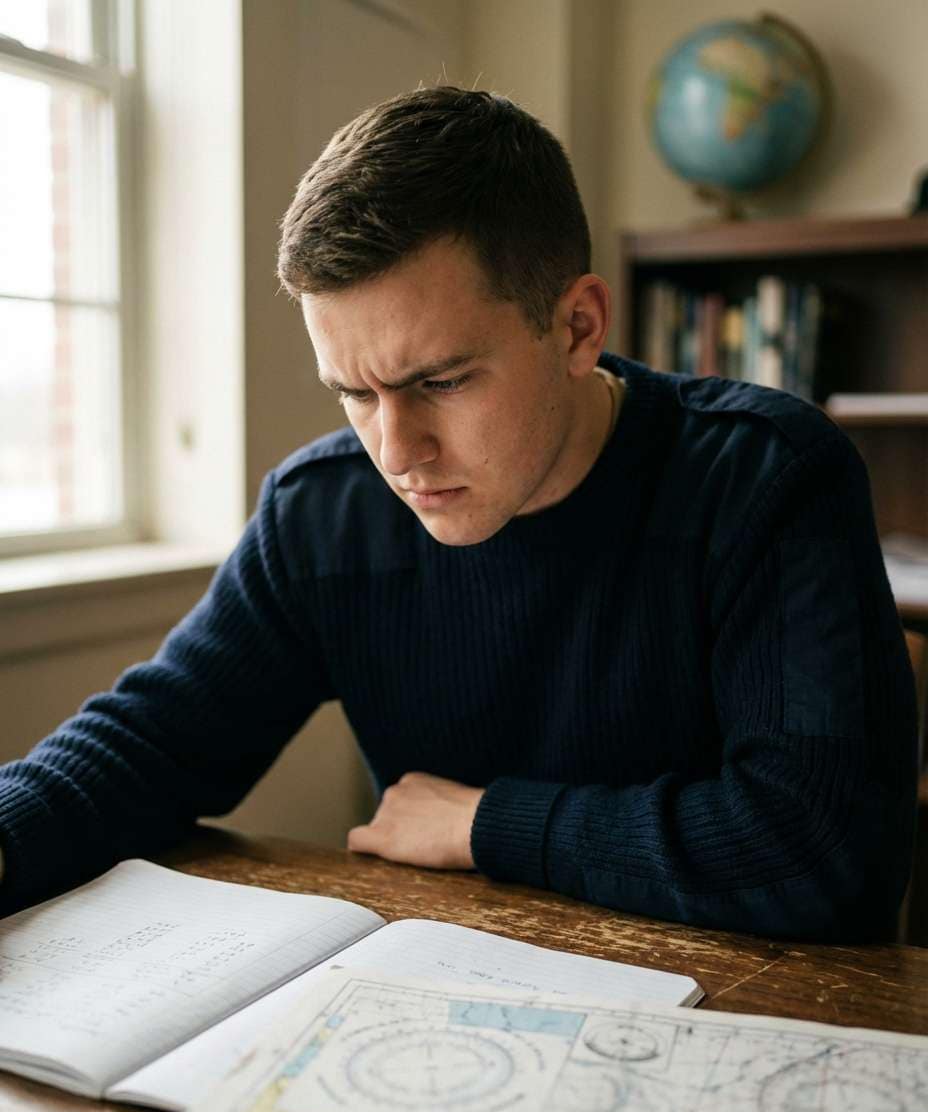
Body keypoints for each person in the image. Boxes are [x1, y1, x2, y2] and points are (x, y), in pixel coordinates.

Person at [0, 87, 916, 941]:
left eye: (438, 381)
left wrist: (487, 823)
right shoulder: (323, 514)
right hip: (444, 984)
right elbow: (150, 744)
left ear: (577, 328)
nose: (395, 453)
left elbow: (822, 848)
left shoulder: (766, 477)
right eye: (354, 393)